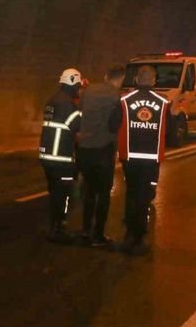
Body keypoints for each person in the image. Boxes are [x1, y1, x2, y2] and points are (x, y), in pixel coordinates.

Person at [117, 65, 168, 256]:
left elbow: (114, 123)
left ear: (137, 79)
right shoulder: (163, 102)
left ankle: (129, 235)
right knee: (145, 196)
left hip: (130, 156)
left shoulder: (124, 100)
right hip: (151, 157)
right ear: (154, 80)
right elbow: (168, 129)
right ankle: (141, 237)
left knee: (131, 193)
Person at [76, 64, 125, 247]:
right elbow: (114, 125)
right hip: (103, 150)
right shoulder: (116, 97)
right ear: (120, 79)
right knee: (103, 194)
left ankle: (85, 231)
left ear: (105, 76)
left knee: (88, 191)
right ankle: (98, 234)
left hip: (85, 149)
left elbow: (79, 114)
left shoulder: (88, 92)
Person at [39, 68, 83, 244]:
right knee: (62, 194)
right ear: (72, 83)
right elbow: (78, 126)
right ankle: (58, 229)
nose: (78, 89)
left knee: (54, 192)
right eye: (78, 86)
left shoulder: (52, 100)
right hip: (61, 158)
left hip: (47, 156)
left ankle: (54, 226)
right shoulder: (67, 104)